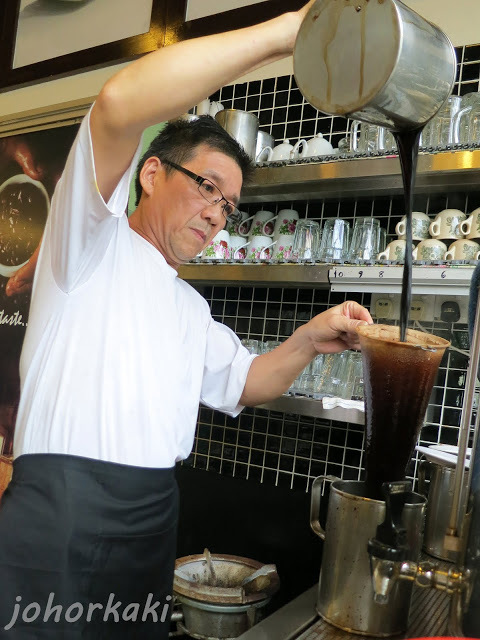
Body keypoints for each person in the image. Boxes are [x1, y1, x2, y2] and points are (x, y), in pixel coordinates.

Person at [0, 2, 373, 638]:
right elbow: (119, 104)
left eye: (229, 205)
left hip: (153, 517)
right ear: (151, 173)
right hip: (62, 511)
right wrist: (287, 32)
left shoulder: (189, 307)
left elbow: (247, 381)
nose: (216, 214)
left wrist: (312, 338)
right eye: (206, 186)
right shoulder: (87, 242)